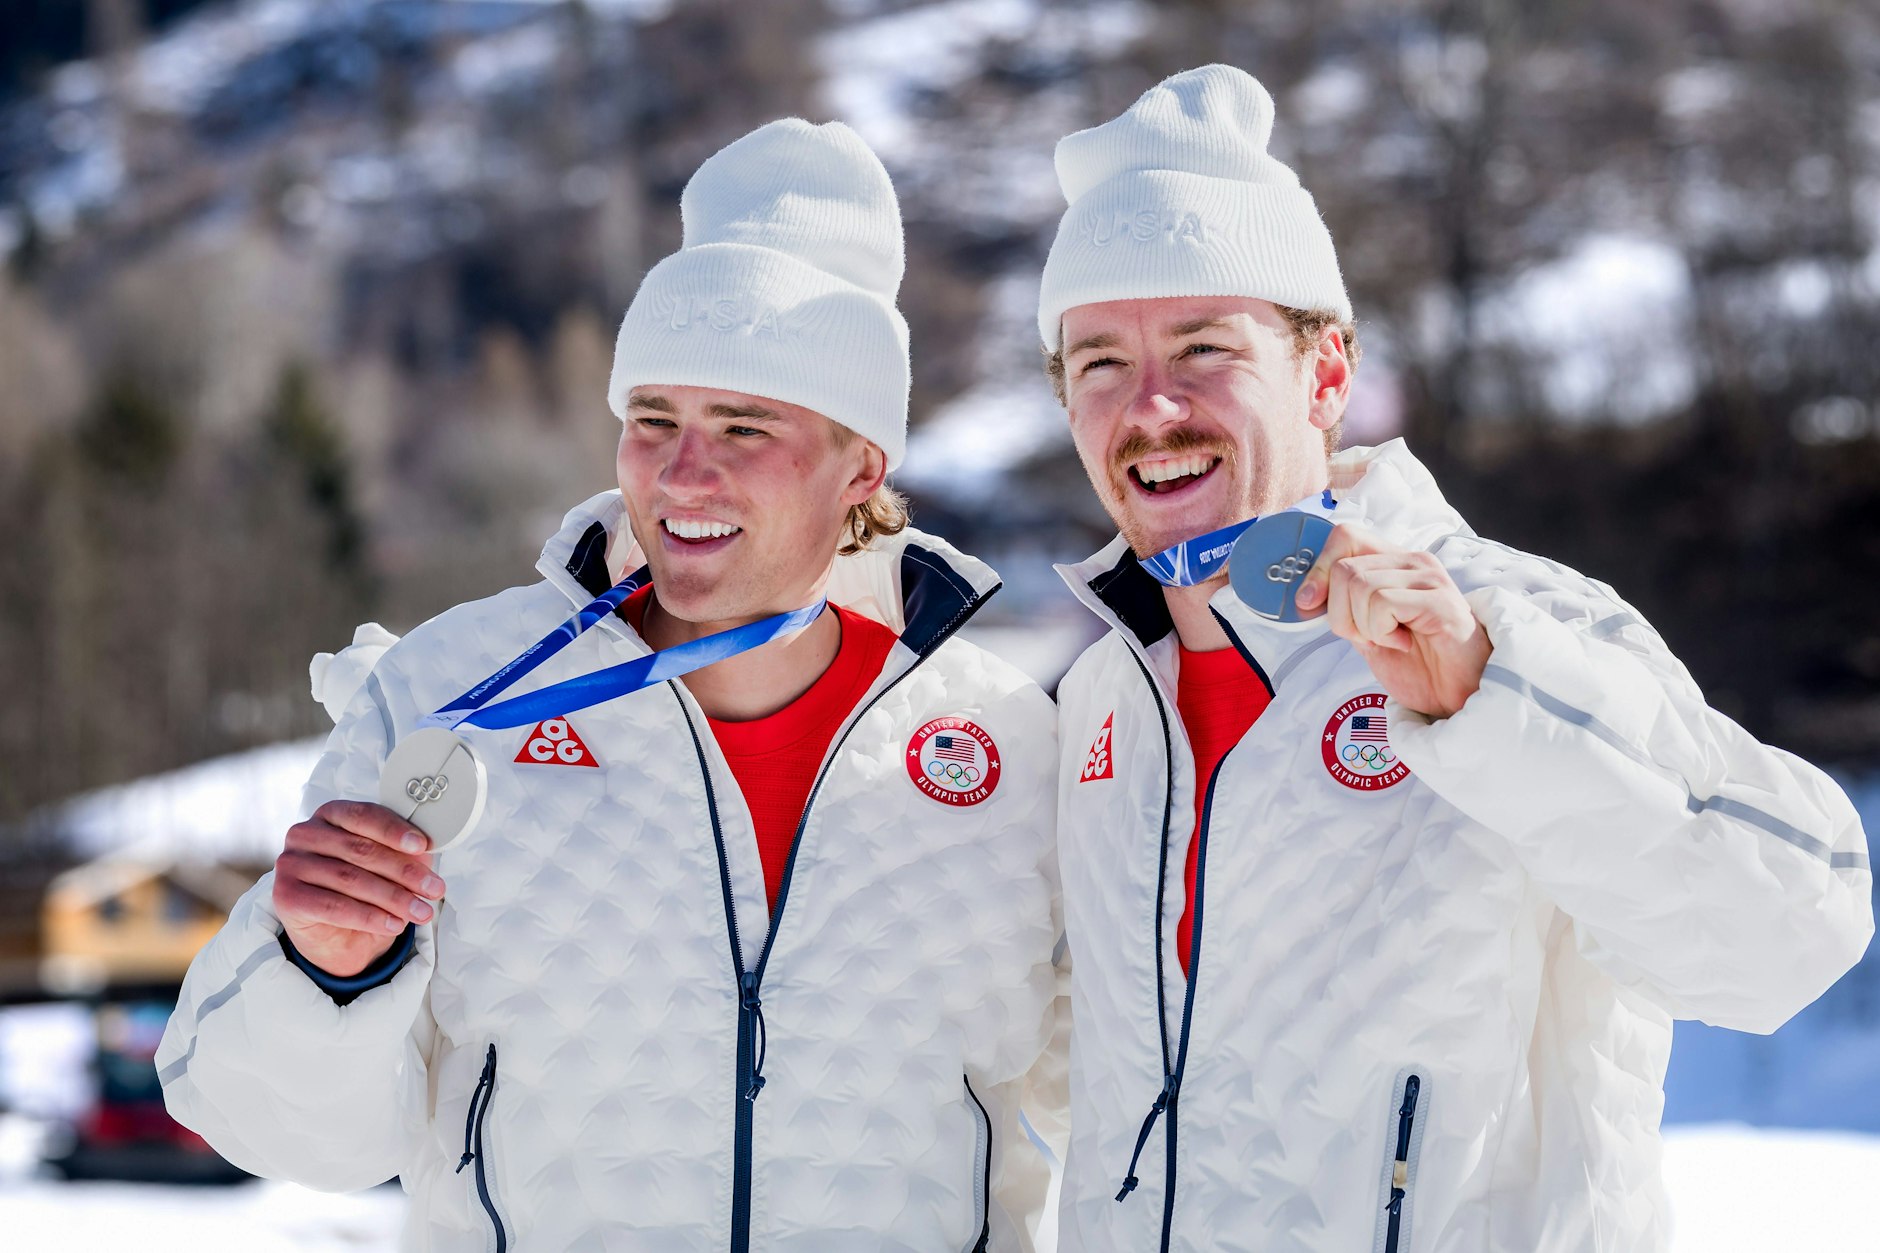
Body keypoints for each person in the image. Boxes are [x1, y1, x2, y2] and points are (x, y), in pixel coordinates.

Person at [159, 119, 1063, 1252]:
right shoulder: (450, 692)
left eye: (744, 424)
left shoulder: (1004, 744)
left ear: (860, 469)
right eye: (654, 420)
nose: (686, 471)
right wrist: (322, 969)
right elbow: (283, 1134)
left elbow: (1138, 1103)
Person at [1038, 64, 1873, 1253]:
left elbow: (1792, 934)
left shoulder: (1514, 620)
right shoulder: (1098, 701)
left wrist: (1491, 699)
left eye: (1202, 347)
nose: (1151, 407)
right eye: (1098, 364)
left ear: (1325, 373)